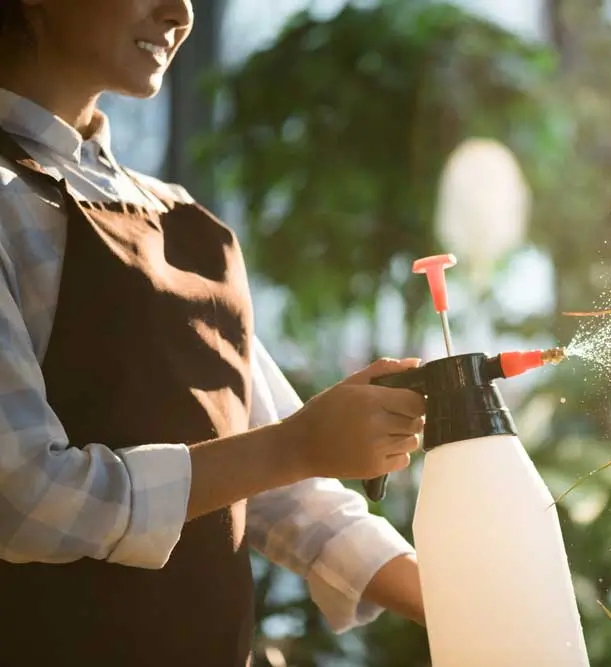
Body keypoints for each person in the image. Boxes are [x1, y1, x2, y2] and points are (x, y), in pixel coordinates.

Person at [0, 1, 427, 665]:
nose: (180, 12)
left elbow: (279, 483)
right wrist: (298, 445)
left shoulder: (184, 222)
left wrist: (473, 600)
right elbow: (23, 499)